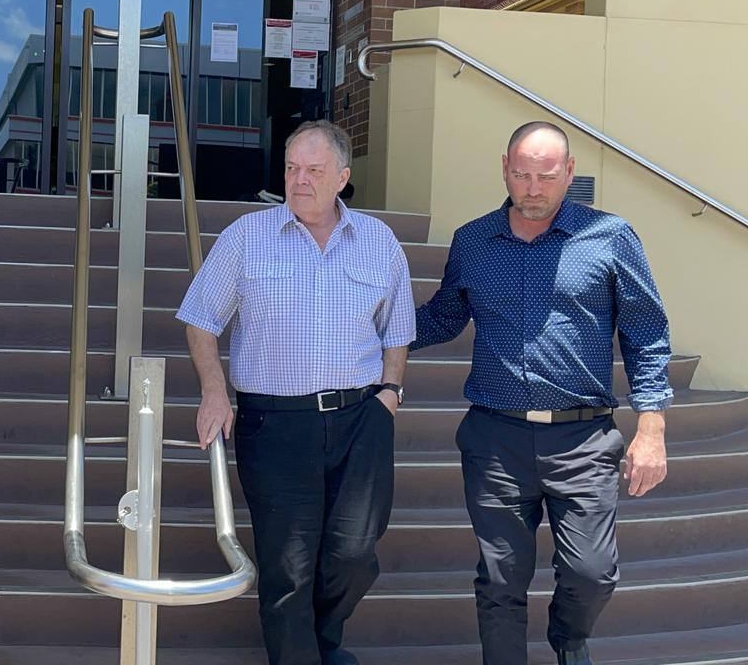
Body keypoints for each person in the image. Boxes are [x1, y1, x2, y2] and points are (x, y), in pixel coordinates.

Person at [412, 121, 671, 665]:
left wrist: (651, 428)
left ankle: (568, 639)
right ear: (504, 169)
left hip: (582, 438)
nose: (533, 187)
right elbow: (444, 317)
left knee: (592, 573)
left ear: (570, 173)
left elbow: (646, 332)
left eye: (546, 176)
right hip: (495, 438)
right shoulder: (473, 240)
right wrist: (361, 334)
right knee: (501, 580)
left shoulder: (610, 236)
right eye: (522, 174)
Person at [177, 120, 414, 665]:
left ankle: (323, 640)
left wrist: (390, 393)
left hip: (361, 420)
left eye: (314, 170)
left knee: (354, 554)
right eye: (291, 169)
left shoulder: (379, 242)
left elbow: (397, 332)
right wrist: (214, 391)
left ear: (343, 178)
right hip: (275, 424)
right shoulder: (246, 237)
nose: (299, 180)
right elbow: (199, 319)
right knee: (288, 566)